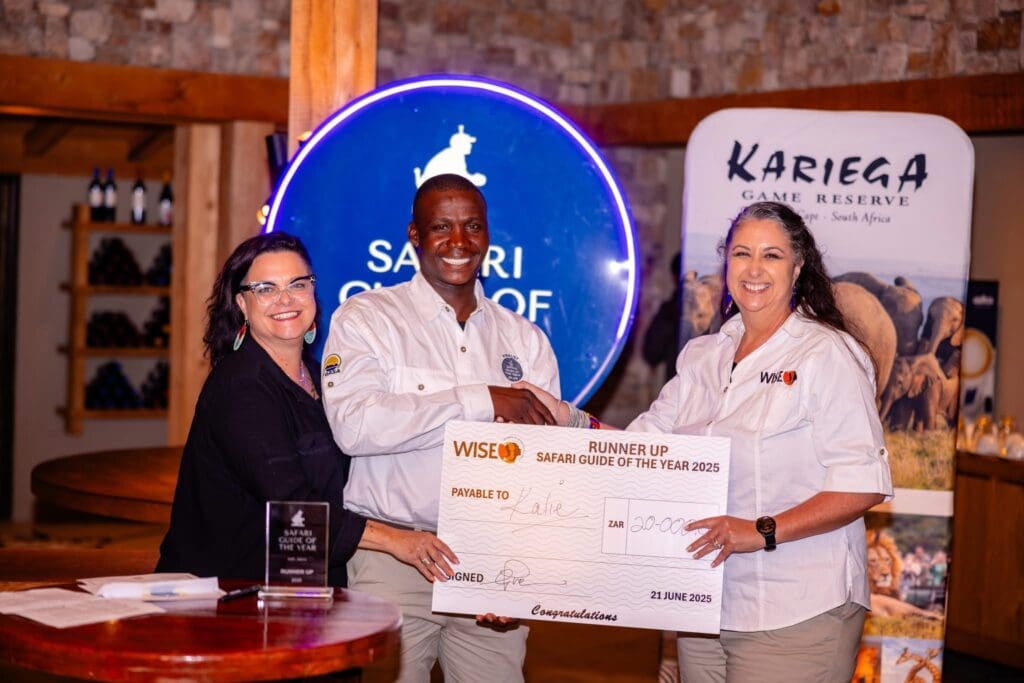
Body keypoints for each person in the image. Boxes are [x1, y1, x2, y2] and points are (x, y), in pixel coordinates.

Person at [520, 201, 893, 682]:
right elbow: (641, 451)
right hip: (702, 606)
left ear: (798, 267)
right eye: (741, 253)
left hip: (796, 606)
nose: (754, 269)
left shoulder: (827, 353)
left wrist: (759, 531)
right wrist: (566, 417)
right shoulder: (703, 356)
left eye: (772, 256)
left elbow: (863, 483)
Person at [322, 173, 560, 682]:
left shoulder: (525, 339)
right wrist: (481, 400)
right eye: (441, 227)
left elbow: (546, 470)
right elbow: (354, 426)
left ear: (488, 234)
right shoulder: (367, 319)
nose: (459, 242)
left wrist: (524, 572)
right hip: (393, 559)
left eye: (472, 226)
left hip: (493, 563)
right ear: (414, 234)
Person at [157, 232, 455, 587]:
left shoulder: (320, 377)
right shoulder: (240, 386)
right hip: (226, 591)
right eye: (265, 289)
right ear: (242, 304)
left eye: (297, 284)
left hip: (296, 586)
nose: (285, 299)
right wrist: (397, 540)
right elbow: (292, 502)